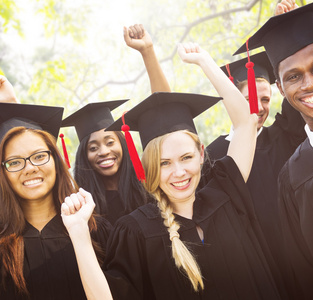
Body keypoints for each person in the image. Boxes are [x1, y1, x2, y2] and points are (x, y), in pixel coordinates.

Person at [61, 43, 281, 299]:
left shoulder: (225, 194)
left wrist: (204, 61)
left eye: (186, 157)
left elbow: (245, 121)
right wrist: (79, 234)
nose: (179, 172)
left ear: (201, 154)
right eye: (164, 163)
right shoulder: (135, 231)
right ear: (149, 167)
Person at [234, 0, 313, 298]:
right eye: (293, 76)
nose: (309, 84)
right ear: (281, 87)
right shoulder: (291, 178)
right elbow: (306, 279)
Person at [203, 51, 306, 298]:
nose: (259, 108)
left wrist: (286, 31)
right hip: (254, 262)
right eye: (249, 98)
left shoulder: (283, 134)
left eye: (266, 99)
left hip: (300, 255)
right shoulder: (213, 156)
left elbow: (298, 96)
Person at [0, 103, 110, 300]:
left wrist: (79, 232)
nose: (30, 168)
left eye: (39, 156)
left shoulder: (97, 231)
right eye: (14, 162)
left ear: (56, 161)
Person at [61, 24, 170, 225]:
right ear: (84, 155)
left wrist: (147, 51)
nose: (103, 151)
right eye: (93, 148)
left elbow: (164, 114)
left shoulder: (150, 183)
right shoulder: (82, 205)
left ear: (122, 143)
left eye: (110, 142)